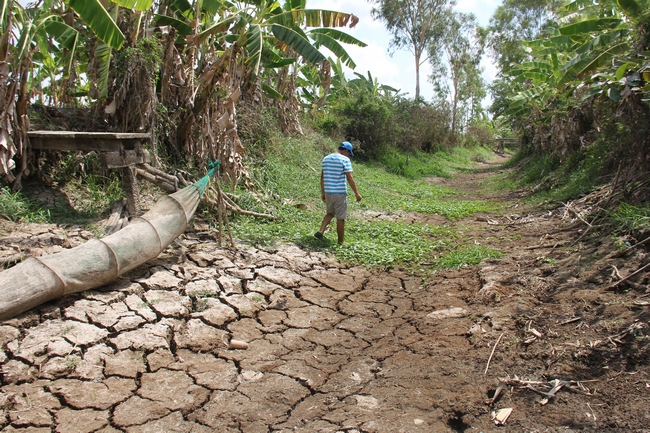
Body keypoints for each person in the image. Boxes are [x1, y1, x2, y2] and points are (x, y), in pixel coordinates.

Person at [314, 141, 362, 244]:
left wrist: (323, 192)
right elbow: (349, 177)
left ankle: (321, 230)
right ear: (346, 150)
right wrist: (357, 193)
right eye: (349, 153)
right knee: (341, 218)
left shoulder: (326, 159)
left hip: (328, 192)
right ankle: (340, 242)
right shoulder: (345, 160)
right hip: (339, 193)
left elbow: (322, 177)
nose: (349, 155)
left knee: (330, 213)